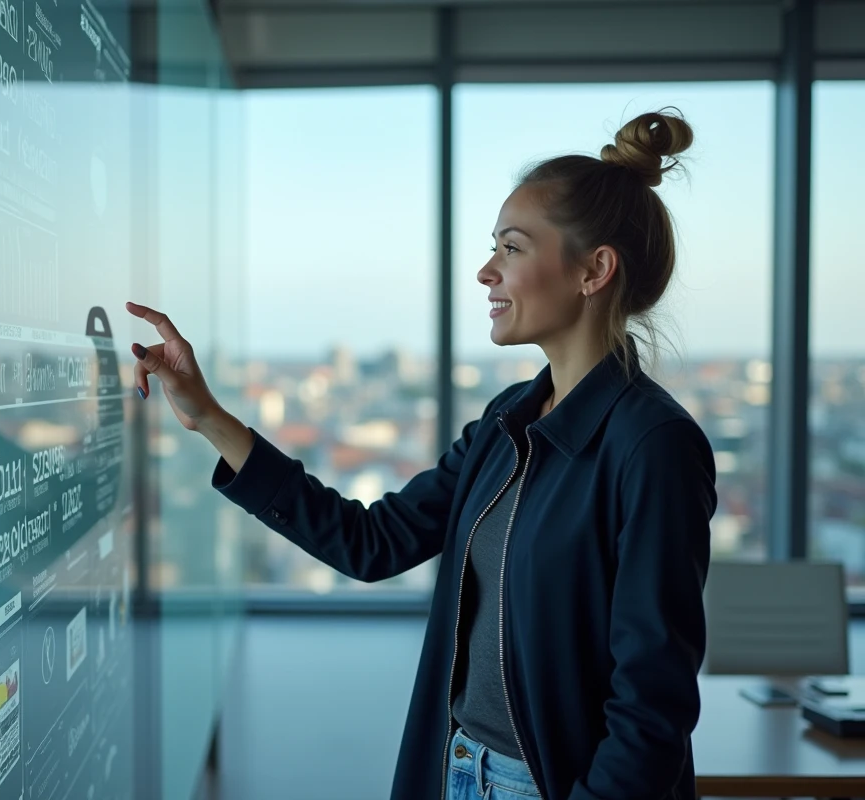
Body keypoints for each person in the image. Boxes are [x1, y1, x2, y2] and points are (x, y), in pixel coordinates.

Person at [125, 108, 716, 800]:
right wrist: (206, 416)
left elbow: (653, 705)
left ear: (595, 270)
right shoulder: (508, 421)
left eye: (512, 248)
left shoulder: (653, 445)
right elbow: (371, 543)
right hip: (458, 769)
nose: (485, 272)